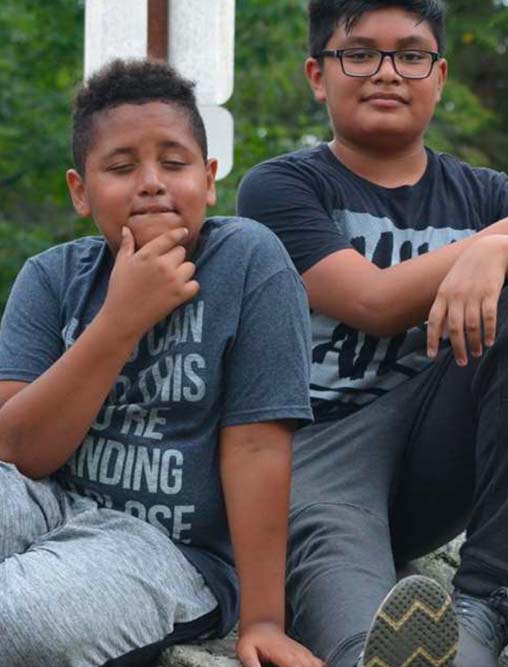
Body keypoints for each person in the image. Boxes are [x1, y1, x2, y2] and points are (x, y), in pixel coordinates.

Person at [235, 2, 508, 666]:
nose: (387, 72)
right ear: (316, 74)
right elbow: (372, 299)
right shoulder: (282, 187)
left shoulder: (483, 193)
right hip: (318, 458)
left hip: (433, 442)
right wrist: (505, 240)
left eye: (411, 55)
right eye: (359, 53)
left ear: (439, 76)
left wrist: (497, 253)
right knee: (362, 630)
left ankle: (486, 595)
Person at [0, 59, 321, 667]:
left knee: (17, 619)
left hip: (172, 549)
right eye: (121, 167)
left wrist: (262, 620)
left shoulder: (249, 261)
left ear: (209, 179)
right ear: (80, 190)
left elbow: (257, 447)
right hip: (48, 501)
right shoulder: (50, 277)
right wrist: (119, 320)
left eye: (173, 164)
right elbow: (20, 452)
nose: (151, 182)